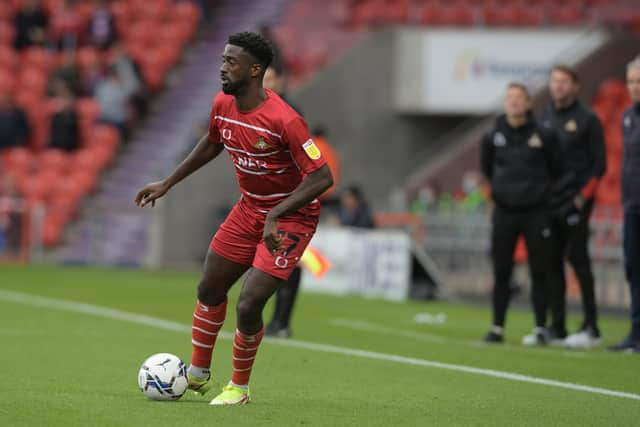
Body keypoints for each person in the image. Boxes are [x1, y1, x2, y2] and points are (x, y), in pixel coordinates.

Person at [134, 32, 333, 405]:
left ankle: (238, 388)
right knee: (209, 288)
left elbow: (323, 177)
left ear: (255, 70)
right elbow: (212, 141)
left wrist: (276, 214)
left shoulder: (286, 120)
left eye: (231, 61)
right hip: (249, 210)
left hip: (291, 219)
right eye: (223, 59)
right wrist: (168, 182)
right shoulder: (223, 103)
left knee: (248, 304)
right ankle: (198, 373)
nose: (222, 67)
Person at [481, 83, 563, 345]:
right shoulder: (492, 134)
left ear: (528, 103)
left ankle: (540, 326)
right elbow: (487, 168)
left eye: (519, 98)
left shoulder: (544, 134)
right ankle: (497, 327)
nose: (514, 102)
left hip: (536, 212)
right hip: (505, 211)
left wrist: (542, 196)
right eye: (509, 98)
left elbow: (556, 167)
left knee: (540, 270)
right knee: (502, 269)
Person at [541, 65, 606, 349]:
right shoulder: (544, 117)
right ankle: (558, 326)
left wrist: (582, 198)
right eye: (554, 81)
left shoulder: (588, 119)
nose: (558, 86)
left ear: (575, 86)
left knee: (578, 260)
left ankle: (591, 325)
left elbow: (599, 164)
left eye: (564, 82)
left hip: (576, 200)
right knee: (552, 263)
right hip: (549, 202)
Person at [609, 56, 640, 353]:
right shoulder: (628, 115)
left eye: (639, 81)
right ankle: (635, 332)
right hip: (632, 205)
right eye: (631, 81)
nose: (634, 87)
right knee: (633, 269)